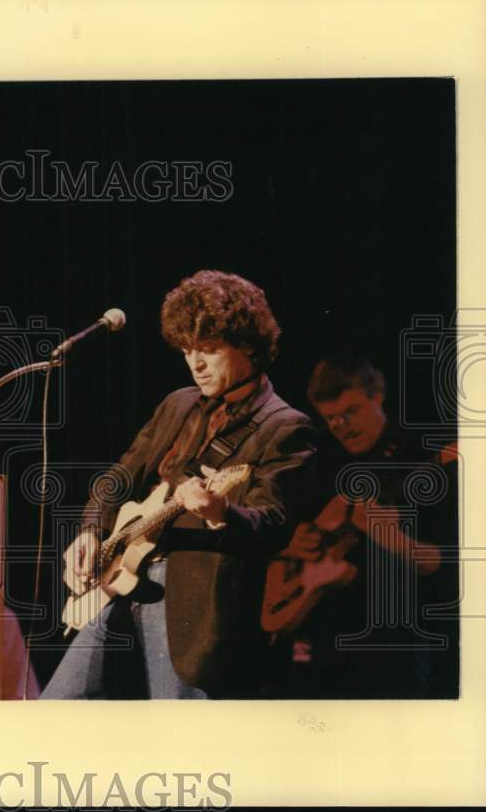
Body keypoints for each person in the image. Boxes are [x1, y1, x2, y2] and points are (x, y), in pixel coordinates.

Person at [41, 270, 316, 699]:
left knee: (179, 740)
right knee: (57, 709)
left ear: (247, 345)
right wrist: (91, 531)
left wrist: (220, 513)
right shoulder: (179, 404)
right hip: (120, 585)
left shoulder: (285, 426)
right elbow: (119, 477)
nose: (195, 364)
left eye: (208, 350)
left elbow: (274, 521)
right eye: (188, 351)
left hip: (191, 604)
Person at [278, 354, 459, 698]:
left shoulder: (422, 456)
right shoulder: (319, 458)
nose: (342, 425)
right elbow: (284, 527)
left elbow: (449, 565)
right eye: (331, 419)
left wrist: (393, 540)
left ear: (377, 397)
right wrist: (291, 541)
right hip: (323, 634)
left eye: (351, 411)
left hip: (396, 642)